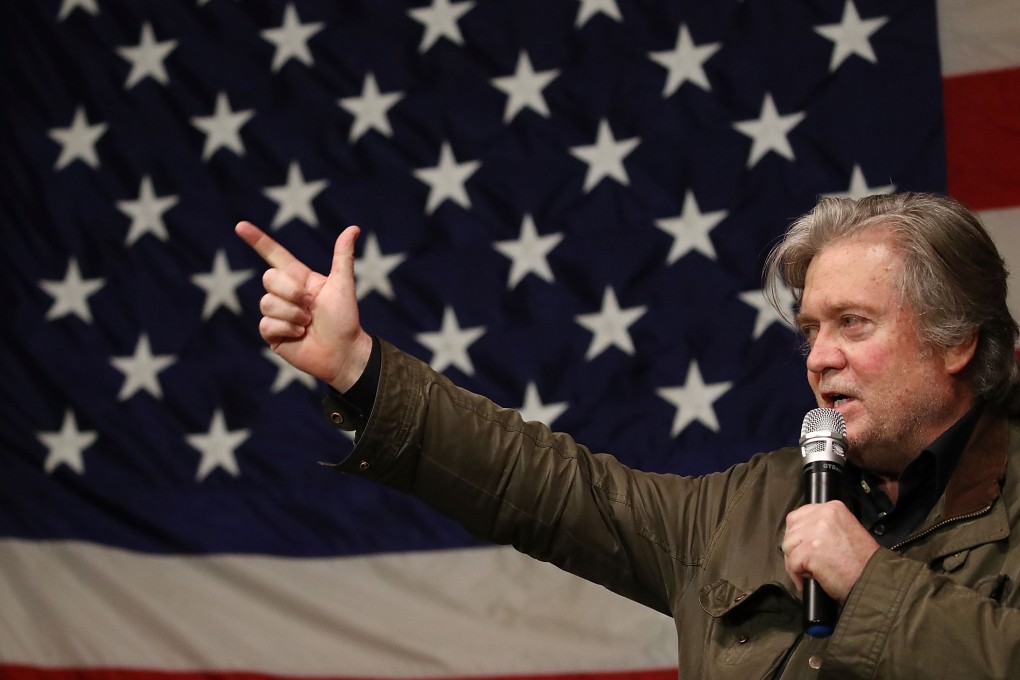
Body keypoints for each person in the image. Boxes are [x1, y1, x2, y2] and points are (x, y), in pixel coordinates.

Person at [235, 192, 1020, 679]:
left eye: (853, 323)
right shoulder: (748, 508)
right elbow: (542, 485)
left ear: (955, 341)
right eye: (810, 329)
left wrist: (871, 581)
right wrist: (356, 366)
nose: (818, 357)